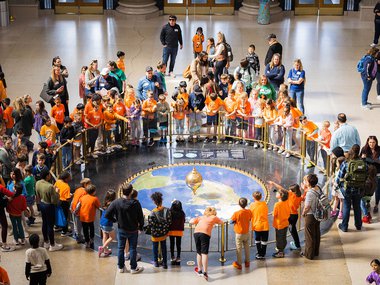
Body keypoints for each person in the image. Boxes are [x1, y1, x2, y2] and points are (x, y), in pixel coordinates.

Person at [105, 183, 144, 274]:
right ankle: (133, 268)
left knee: (120, 248)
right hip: (133, 230)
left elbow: (107, 214)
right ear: (131, 192)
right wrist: (141, 227)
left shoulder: (116, 202)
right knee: (132, 249)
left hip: (122, 229)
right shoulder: (136, 203)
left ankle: (121, 267)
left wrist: (115, 220)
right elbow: (141, 218)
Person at [337, 144, 366, 232]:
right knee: (357, 206)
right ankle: (358, 225)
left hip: (347, 189)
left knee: (346, 206)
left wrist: (339, 185)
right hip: (359, 188)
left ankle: (344, 226)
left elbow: (340, 177)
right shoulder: (363, 163)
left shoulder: (346, 163)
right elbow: (366, 173)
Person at [190, 206, 223, 281]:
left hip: (196, 233)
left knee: (199, 252)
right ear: (214, 212)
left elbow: (191, 222)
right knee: (204, 253)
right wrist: (213, 224)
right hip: (205, 234)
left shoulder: (201, 217)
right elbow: (221, 222)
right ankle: (205, 272)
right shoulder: (214, 217)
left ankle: (199, 270)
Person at [35, 168, 63, 252]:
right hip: (49, 206)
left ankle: (46, 242)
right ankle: (52, 245)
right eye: (49, 174)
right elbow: (54, 201)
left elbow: (37, 194)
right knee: (50, 225)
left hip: (42, 204)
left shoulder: (38, 183)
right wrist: (57, 192)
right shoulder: (50, 186)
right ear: (47, 176)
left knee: (45, 223)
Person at [148, 192, 171, 269]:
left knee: (155, 248)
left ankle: (156, 262)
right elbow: (169, 221)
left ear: (154, 201)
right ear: (161, 200)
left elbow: (151, 224)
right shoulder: (167, 210)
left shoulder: (152, 212)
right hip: (164, 233)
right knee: (164, 248)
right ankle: (165, 264)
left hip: (155, 234)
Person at [301, 174, 321, 259]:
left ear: (309, 183)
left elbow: (307, 206)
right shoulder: (318, 189)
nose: (304, 182)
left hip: (310, 215)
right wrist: (305, 188)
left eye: (306, 181)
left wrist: (303, 213)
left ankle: (309, 254)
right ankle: (316, 251)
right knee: (316, 233)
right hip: (317, 214)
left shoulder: (309, 193)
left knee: (309, 235)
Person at [231, 197, 252, 269]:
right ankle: (247, 262)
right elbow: (250, 218)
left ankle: (239, 264)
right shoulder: (249, 211)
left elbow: (231, 221)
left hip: (239, 233)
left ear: (239, 204)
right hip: (246, 232)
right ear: (246, 204)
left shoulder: (236, 213)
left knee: (239, 248)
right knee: (247, 247)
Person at [360, 136, 380, 214]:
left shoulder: (379, 149)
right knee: (367, 189)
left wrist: (368, 159)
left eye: (373, 142)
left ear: (376, 142)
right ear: (368, 142)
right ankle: (368, 202)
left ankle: (376, 205)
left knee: (378, 190)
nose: (371, 144)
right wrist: (374, 160)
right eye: (370, 142)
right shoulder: (364, 149)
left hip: (378, 173)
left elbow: (379, 161)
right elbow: (361, 159)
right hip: (367, 173)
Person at [78, 184, 100, 249]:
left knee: (85, 230)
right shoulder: (95, 199)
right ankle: (92, 239)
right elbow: (98, 206)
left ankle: (87, 242)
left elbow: (78, 206)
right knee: (91, 228)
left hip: (83, 217)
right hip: (90, 218)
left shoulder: (82, 198)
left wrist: (75, 212)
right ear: (94, 192)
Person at [249, 191, 269, 259]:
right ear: (261, 197)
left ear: (253, 197)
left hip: (257, 225)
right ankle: (263, 253)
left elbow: (250, 214)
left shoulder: (252, 205)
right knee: (264, 240)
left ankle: (259, 252)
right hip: (265, 226)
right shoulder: (264, 203)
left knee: (257, 240)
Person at [272, 188, 290, 258]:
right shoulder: (286, 202)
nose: (276, 193)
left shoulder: (277, 204)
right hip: (285, 223)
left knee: (279, 238)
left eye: (277, 193)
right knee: (283, 237)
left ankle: (280, 252)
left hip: (279, 224)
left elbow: (274, 214)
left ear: (281, 196)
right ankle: (282, 248)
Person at [99, 190, 116, 257]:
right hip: (107, 223)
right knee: (112, 237)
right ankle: (102, 248)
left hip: (102, 222)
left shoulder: (106, 202)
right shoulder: (112, 204)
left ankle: (106, 251)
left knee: (105, 236)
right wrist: (115, 220)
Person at [168, 200, 185, 265]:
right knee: (178, 244)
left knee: (172, 244)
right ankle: (178, 257)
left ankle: (172, 257)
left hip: (171, 230)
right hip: (179, 231)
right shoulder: (182, 213)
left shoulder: (170, 212)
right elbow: (183, 221)